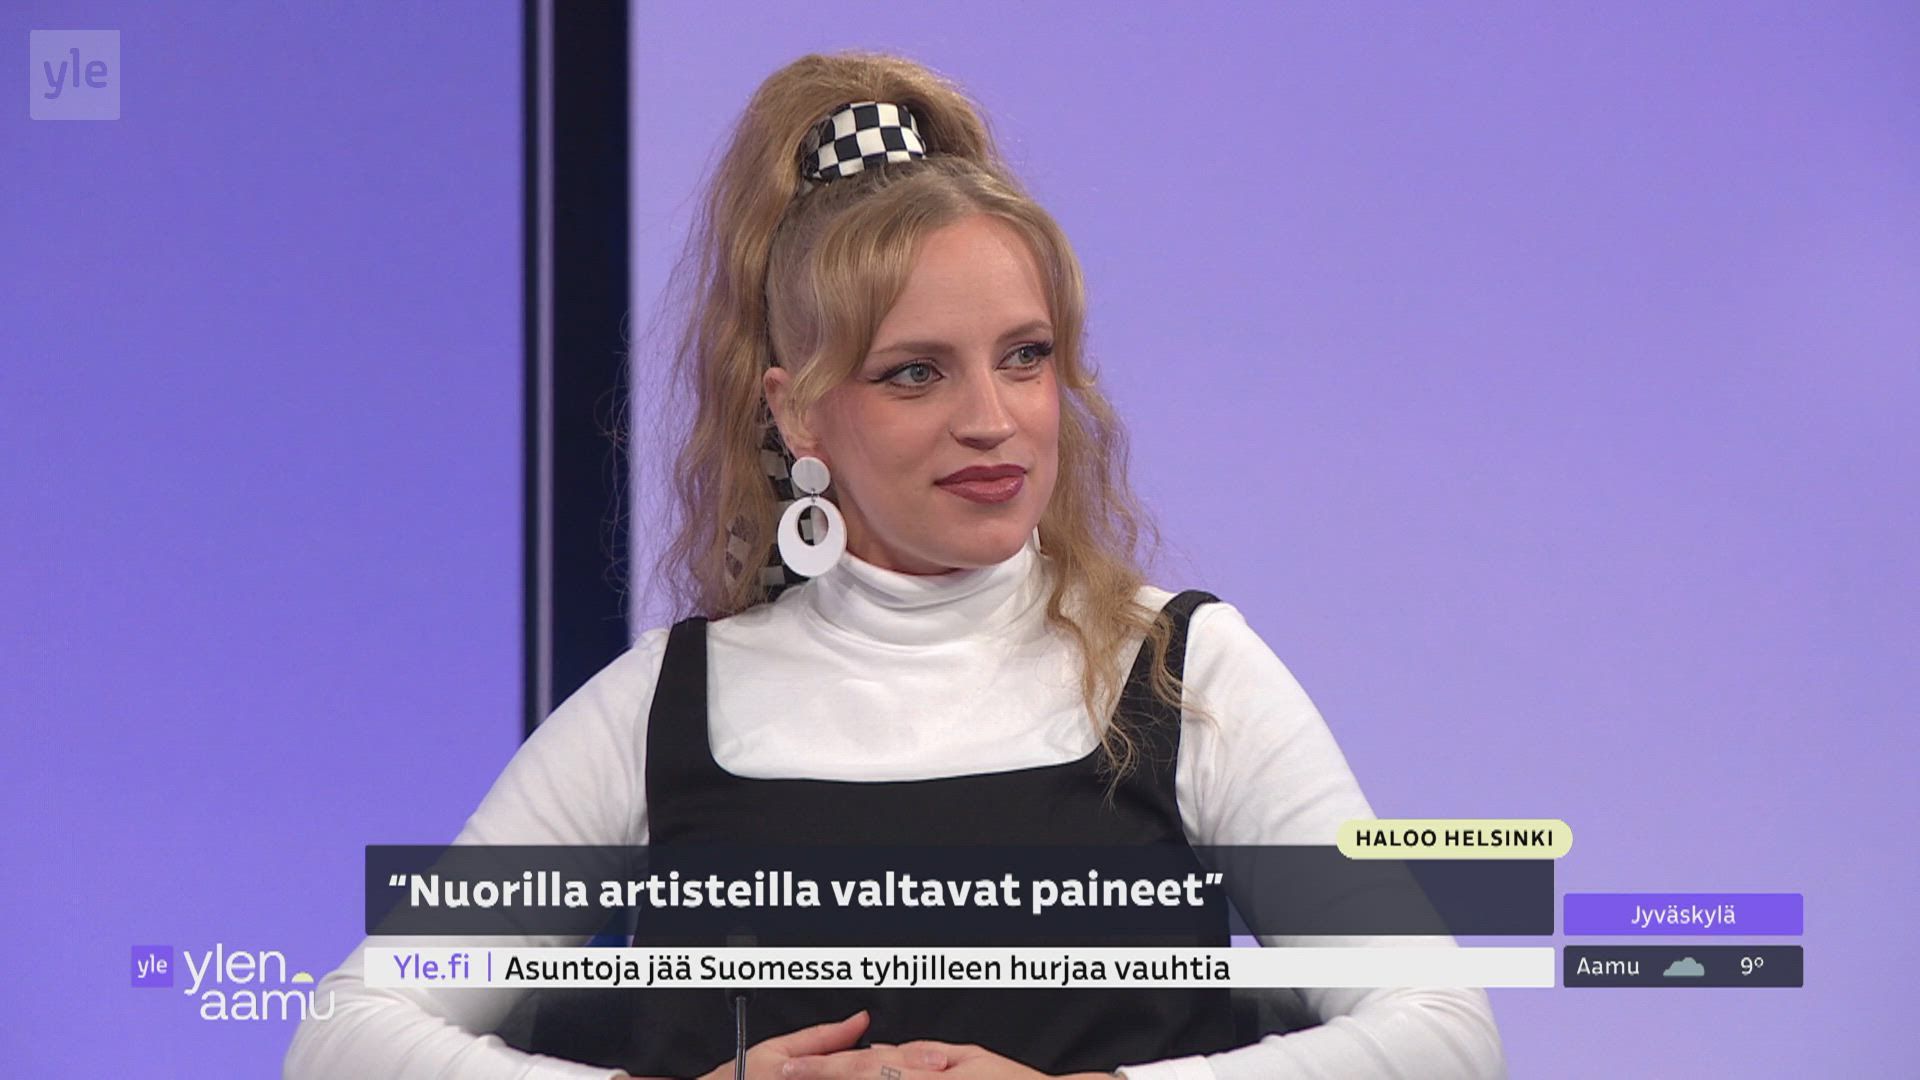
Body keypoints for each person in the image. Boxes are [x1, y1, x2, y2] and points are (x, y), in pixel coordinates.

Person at [285, 51, 1506, 1080]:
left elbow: (1444, 1033)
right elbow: (345, 1037)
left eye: (1025, 357)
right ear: (799, 412)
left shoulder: (1186, 671)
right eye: (915, 373)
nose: (993, 420)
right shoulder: (664, 704)